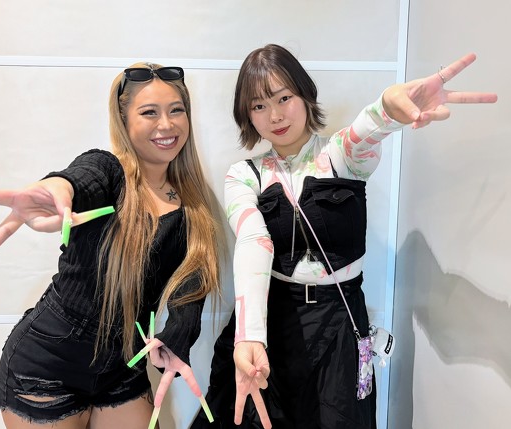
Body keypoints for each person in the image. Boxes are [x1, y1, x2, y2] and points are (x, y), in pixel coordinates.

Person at [190, 44, 497, 429]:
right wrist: (249, 336)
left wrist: (387, 108)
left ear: (304, 94)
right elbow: (254, 241)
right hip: (272, 320)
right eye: (259, 106)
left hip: (340, 319)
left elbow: (362, 135)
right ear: (247, 115)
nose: (275, 115)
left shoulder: (338, 156)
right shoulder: (243, 174)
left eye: (284, 98)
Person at [0, 63, 221, 428]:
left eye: (176, 110)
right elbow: (79, 179)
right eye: (149, 112)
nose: (166, 124)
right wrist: (54, 190)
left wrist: (174, 343)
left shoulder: (194, 206)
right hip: (47, 368)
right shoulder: (108, 171)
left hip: (121, 370)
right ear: (123, 121)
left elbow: (191, 290)